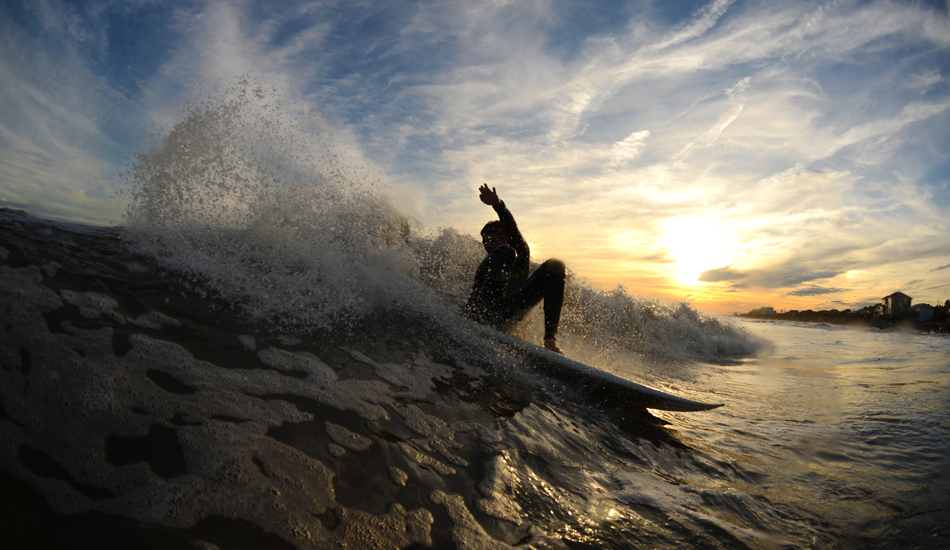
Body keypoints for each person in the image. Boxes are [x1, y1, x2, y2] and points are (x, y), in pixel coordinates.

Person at [464, 184, 566, 354]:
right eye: (484, 242)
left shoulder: (518, 252)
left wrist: (498, 205)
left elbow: (512, 229)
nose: (487, 246)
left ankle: (549, 340)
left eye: (491, 239)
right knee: (505, 253)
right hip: (483, 310)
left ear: (505, 238)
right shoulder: (490, 263)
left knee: (555, 265)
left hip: (509, 309)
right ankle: (470, 315)